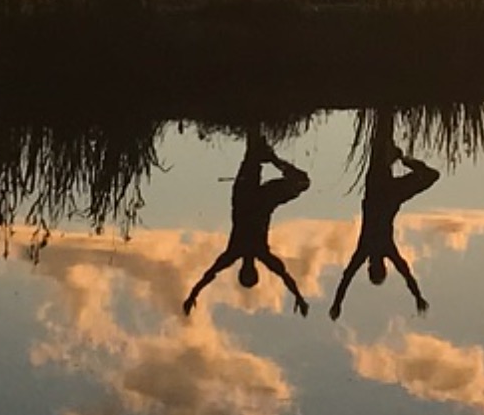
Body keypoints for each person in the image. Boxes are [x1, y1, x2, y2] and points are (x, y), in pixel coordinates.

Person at [183, 129, 312, 316]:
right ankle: (270, 154)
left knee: (254, 155)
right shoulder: (256, 253)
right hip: (262, 200)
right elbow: (284, 276)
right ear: (254, 271)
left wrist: (193, 294)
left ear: (244, 271)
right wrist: (299, 298)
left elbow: (210, 275)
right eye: (252, 273)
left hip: (246, 197)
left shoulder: (236, 252)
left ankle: (260, 137)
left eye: (247, 273)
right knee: (300, 182)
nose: (250, 269)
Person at [329, 115, 440, 320]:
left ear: (372, 266)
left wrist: (337, 303)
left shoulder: (367, 250)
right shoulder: (375, 251)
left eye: (376, 267)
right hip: (390, 196)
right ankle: (400, 156)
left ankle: (392, 142)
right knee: (429, 174)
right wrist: (417, 296)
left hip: (382, 194)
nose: (378, 264)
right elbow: (404, 273)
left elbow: (347, 279)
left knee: (382, 149)